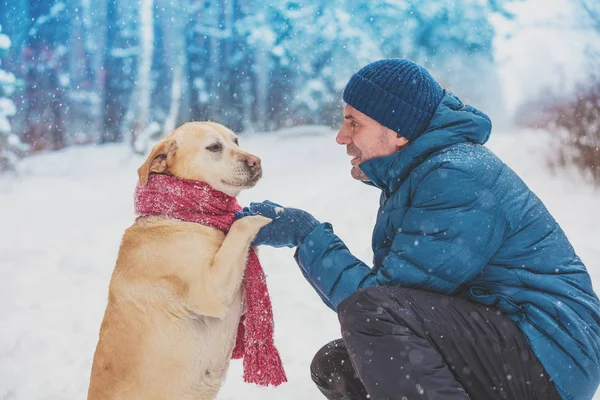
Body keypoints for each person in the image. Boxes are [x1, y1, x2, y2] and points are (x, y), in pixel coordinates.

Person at [236, 59, 600, 400]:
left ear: (398, 131)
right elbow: (400, 304)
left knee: (373, 314)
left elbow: (386, 300)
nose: (341, 137)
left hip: (552, 353)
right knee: (339, 365)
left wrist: (306, 234)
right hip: (522, 345)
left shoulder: (457, 176)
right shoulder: (425, 172)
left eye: (354, 123)